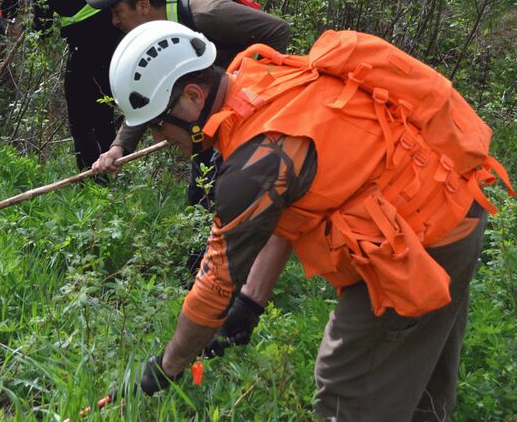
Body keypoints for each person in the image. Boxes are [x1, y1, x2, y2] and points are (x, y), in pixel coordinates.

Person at [108, 21, 514, 420]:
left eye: (159, 125)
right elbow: (294, 202)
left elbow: (215, 286)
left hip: (422, 247)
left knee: (346, 390)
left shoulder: (254, 164)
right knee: (417, 379)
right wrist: (249, 305)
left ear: (194, 96)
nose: (162, 139)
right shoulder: (259, 77)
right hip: (454, 205)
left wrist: (169, 364)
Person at [88, 0, 291, 206]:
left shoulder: (207, 13)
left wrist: (245, 86)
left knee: (228, 200)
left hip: (242, 117)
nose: (114, 21)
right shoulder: (156, 38)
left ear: (143, 5)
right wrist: (119, 147)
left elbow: (278, 30)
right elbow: (151, 95)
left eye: (117, 11)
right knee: (201, 197)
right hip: (203, 121)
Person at [0, 0, 125, 170]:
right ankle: (114, 169)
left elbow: (43, 31)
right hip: (121, 37)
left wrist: (24, 29)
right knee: (104, 111)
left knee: (80, 118)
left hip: (87, 47)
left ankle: (91, 177)